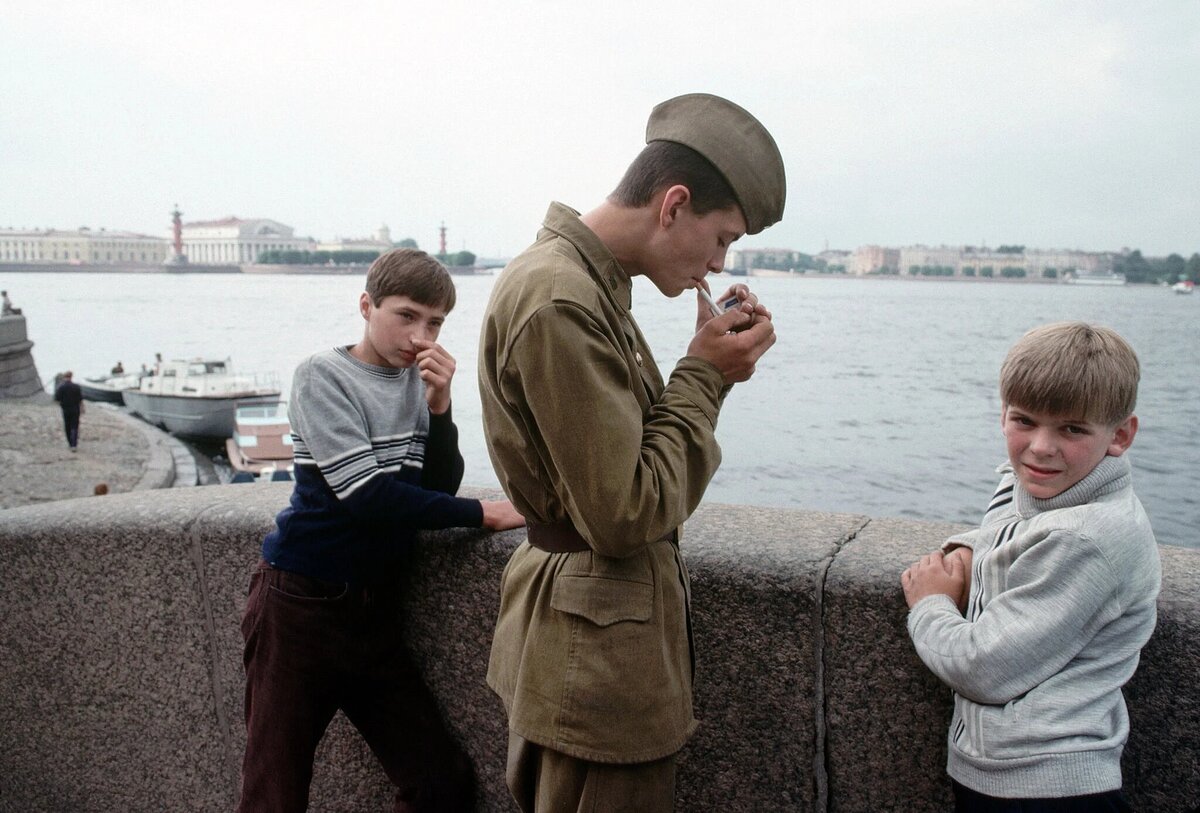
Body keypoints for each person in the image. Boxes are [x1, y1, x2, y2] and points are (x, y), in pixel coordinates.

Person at [479, 93, 784, 811]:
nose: (718, 262)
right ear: (673, 203)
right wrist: (706, 373)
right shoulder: (562, 298)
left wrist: (708, 368)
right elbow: (625, 510)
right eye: (721, 237)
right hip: (596, 666)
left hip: (583, 646)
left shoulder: (582, 282)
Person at [237, 248, 526, 813]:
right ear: (366, 305)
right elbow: (365, 494)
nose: (420, 335)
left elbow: (436, 489)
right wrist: (483, 513)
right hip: (300, 603)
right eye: (406, 315)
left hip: (373, 615)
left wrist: (440, 408)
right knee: (274, 792)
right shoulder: (322, 375)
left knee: (440, 780)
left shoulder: (414, 383)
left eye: (435, 322)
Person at [901, 321, 1161, 812]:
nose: (1041, 446)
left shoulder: (1088, 537)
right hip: (1008, 772)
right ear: (1003, 414)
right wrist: (967, 547)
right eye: (1024, 421)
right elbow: (1011, 515)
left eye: (1072, 428)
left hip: (1049, 786)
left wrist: (931, 602)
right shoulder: (1046, 484)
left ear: (1121, 434)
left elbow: (983, 667)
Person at [53, 371, 84, 451]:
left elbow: (56, 399)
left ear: (64, 377)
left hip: (66, 409)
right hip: (75, 409)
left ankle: (70, 443)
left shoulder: (61, 387)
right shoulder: (76, 387)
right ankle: (74, 444)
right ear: (71, 377)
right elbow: (80, 399)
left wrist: (61, 404)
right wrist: (82, 408)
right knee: (75, 426)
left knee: (67, 426)